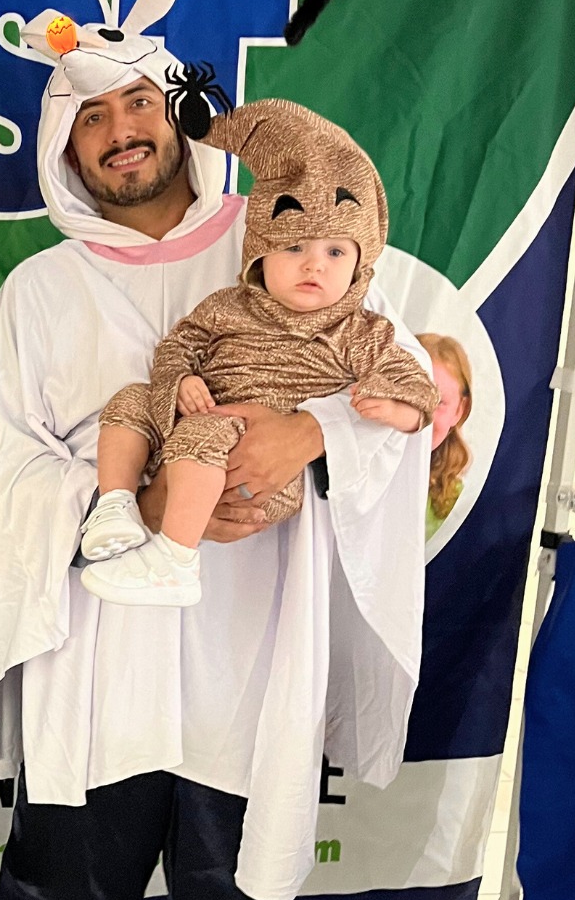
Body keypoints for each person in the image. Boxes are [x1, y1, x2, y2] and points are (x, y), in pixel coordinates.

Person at [0, 0, 430, 900]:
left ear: (173, 110)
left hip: (251, 635)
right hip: (97, 642)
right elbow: (3, 470)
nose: (121, 129)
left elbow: (408, 383)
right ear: (65, 148)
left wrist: (309, 434)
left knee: (240, 880)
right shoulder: (40, 292)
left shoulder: (282, 235)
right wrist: (131, 490)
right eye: (91, 116)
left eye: (136, 102)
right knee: (84, 884)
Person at [81, 97, 434, 607]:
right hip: (187, 438)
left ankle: (174, 561)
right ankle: (115, 506)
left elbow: (415, 382)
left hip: (261, 475)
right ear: (260, 252)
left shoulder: (358, 329)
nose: (313, 265)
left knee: (202, 433)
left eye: (335, 252)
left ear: (359, 266)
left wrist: (393, 410)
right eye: (293, 247)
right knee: (132, 399)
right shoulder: (227, 306)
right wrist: (179, 381)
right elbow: (179, 345)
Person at [417, 331, 473, 536]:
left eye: (439, 402)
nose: (422, 414)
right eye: (411, 395)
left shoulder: (456, 503)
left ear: (460, 410)